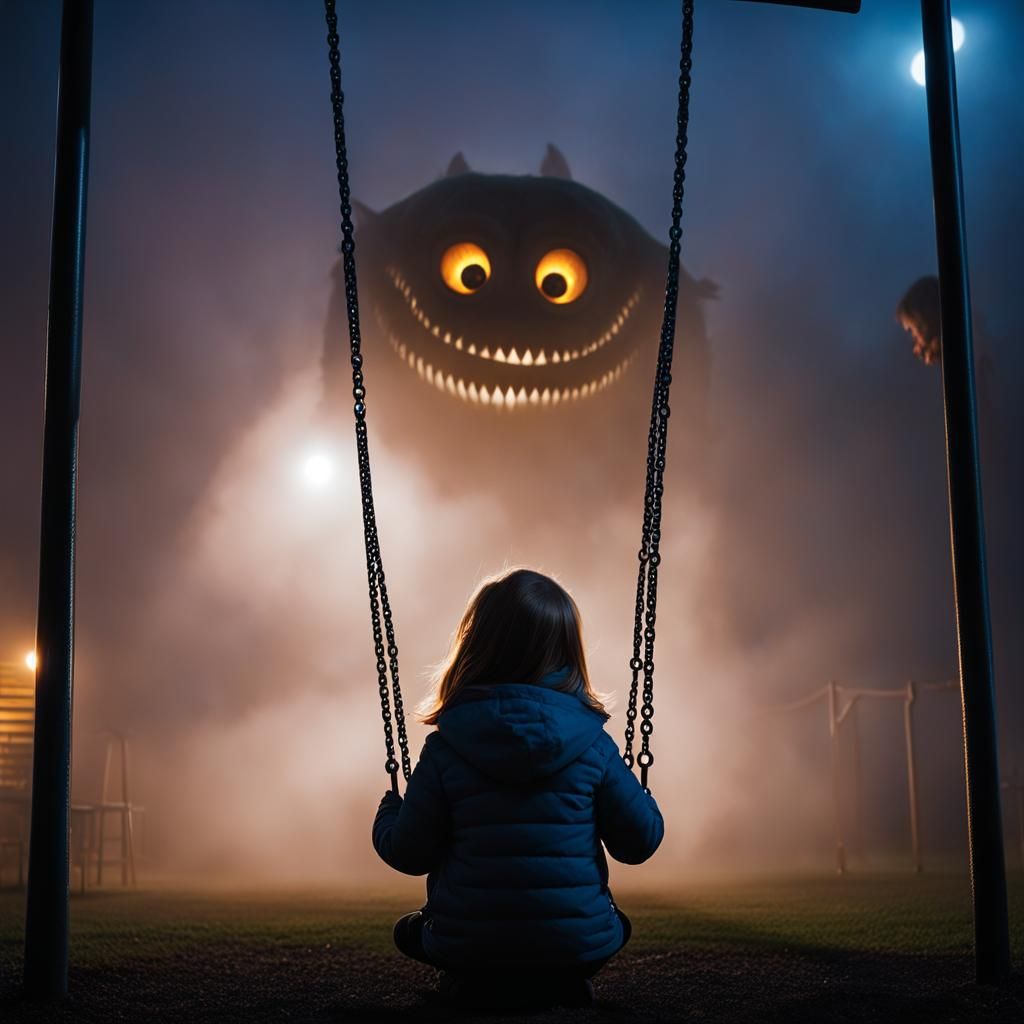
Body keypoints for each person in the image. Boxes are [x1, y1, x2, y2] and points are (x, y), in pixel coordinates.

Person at [371, 567, 664, 1009]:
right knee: (614, 924)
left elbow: (410, 853)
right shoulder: (594, 748)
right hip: (574, 948)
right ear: (568, 651)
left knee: (409, 932)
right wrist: (644, 800)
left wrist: (388, 813)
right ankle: (561, 976)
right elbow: (638, 843)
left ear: (477, 647)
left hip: (470, 947)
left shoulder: (446, 749)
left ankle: (473, 980)